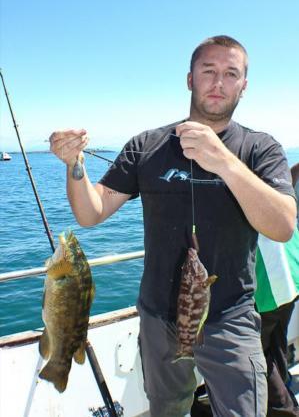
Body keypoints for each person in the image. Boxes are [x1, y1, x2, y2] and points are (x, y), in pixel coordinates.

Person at [50, 35, 296, 417]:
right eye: (208, 71)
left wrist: (224, 162)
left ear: (244, 86)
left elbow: (282, 226)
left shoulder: (259, 149)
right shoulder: (146, 145)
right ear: (189, 79)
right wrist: (75, 164)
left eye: (231, 73)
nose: (218, 82)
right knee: (167, 408)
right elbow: (91, 212)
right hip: (157, 319)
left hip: (231, 317)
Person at [255, 229, 299, 416]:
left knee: (259, 356)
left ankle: (286, 411)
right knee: (275, 346)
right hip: (291, 270)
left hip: (267, 285)